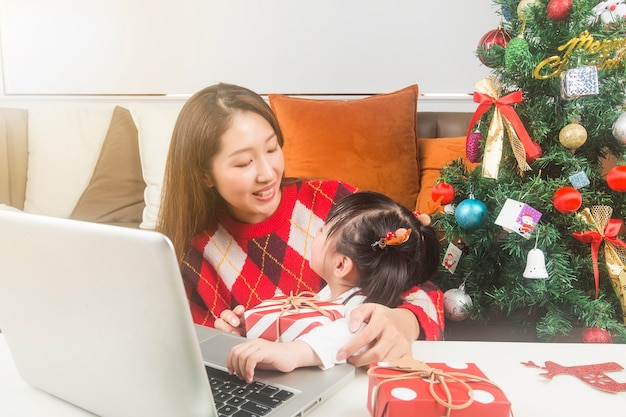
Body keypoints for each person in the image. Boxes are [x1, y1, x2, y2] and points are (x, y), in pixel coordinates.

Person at [157, 83, 444, 367]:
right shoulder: (193, 253)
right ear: (205, 175)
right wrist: (223, 340)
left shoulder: (337, 205)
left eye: (272, 149)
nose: (268, 174)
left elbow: (425, 290)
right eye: (244, 163)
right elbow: (183, 351)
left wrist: (403, 322)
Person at [227, 191, 441, 382]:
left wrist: (292, 353)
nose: (316, 233)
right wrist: (254, 327)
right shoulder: (329, 293)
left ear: (341, 265)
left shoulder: (360, 305)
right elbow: (303, 325)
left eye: (323, 230)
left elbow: (346, 334)